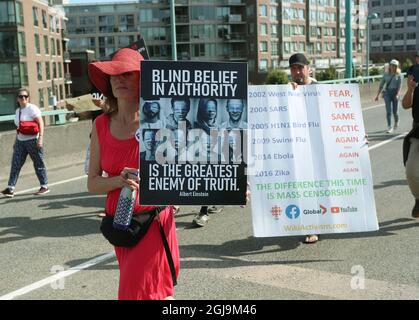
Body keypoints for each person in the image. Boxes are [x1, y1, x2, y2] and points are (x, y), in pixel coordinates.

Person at [87, 48, 179, 300]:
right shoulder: (100, 125)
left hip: (154, 222)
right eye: (113, 74)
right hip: (121, 226)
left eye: (127, 73)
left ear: (143, 80)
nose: (118, 79)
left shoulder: (162, 121)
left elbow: (196, 163)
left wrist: (234, 186)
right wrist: (119, 180)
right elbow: (92, 184)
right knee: (153, 292)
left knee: (137, 293)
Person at [288, 53, 319, 244]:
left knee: (313, 187)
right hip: (296, 146)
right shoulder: (287, 90)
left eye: (300, 68)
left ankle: (313, 226)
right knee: (301, 187)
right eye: (293, 68)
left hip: (316, 146)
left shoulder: (319, 89)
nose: (297, 72)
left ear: (308, 68)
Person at [1, 88, 49, 198]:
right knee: (15, 164)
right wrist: (15, 141)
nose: (23, 98)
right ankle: (10, 188)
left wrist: (40, 138)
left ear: (28, 98)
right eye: (21, 96)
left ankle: (44, 186)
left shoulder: (32, 109)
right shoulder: (18, 111)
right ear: (17, 98)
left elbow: (41, 123)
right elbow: (19, 127)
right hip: (20, 141)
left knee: (38, 163)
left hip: (33, 140)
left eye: (26, 96)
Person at [191, 98, 224, 227]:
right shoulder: (194, 125)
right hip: (195, 156)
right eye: (207, 109)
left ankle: (204, 212)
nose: (211, 112)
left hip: (214, 159)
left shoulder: (221, 126)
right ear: (202, 110)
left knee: (208, 177)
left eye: (213, 109)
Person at [402, 62, 419, 218]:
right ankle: (418, 199)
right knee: (411, 171)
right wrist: (410, 89)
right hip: (418, 131)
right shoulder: (415, 81)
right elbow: (405, 105)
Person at [375, 59, 403, 133]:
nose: (392, 67)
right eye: (391, 65)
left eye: (394, 66)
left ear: (397, 66)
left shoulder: (399, 75)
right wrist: (377, 95)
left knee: (395, 112)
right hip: (387, 93)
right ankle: (389, 127)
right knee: (388, 111)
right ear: (389, 66)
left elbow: (400, 86)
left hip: (395, 93)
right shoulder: (386, 74)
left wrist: (397, 94)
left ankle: (396, 122)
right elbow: (381, 85)